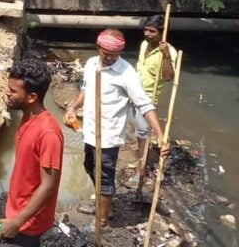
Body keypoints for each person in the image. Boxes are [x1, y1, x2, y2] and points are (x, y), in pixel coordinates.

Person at [63, 29, 170, 231]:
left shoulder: (126, 73)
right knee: (89, 165)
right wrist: (72, 108)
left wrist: (160, 134)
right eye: (106, 53)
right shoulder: (91, 63)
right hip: (89, 130)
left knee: (105, 175)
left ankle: (103, 221)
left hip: (109, 135)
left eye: (115, 54)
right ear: (99, 48)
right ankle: (104, 204)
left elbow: (145, 105)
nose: (110, 57)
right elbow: (85, 91)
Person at [0, 59, 63, 247]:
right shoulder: (27, 117)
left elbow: (48, 185)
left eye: (13, 91)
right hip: (18, 210)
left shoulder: (48, 133)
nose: (7, 93)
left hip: (29, 222)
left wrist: (17, 222)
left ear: (32, 97)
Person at [128, 15, 177, 184]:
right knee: (138, 132)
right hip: (132, 92)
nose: (147, 34)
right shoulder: (144, 45)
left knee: (143, 133)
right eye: (146, 29)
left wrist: (166, 57)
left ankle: (141, 169)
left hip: (148, 99)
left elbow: (169, 77)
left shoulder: (169, 52)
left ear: (162, 33)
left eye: (152, 31)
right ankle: (141, 160)